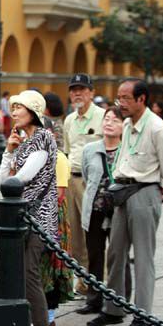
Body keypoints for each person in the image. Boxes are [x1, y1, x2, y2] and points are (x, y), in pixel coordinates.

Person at [88, 79, 163, 326]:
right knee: (116, 252)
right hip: (121, 191)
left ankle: (142, 316)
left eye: (125, 98)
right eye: (118, 98)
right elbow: (123, 156)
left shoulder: (157, 128)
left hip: (145, 191)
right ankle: (114, 309)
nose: (120, 103)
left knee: (143, 256)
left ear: (141, 99)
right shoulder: (126, 123)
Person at [0, 89, 58, 326]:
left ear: (33, 110)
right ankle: (31, 325)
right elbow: (5, 180)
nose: (14, 113)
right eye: (13, 108)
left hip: (38, 217)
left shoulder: (43, 138)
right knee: (23, 271)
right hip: (22, 216)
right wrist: (9, 151)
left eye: (19, 108)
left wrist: (13, 167)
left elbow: (20, 178)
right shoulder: (25, 141)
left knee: (30, 271)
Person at [77, 106, 132, 315]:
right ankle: (94, 299)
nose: (109, 123)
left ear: (124, 126)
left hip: (119, 211)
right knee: (94, 255)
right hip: (95, 210)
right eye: (106, 119)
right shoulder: (90, 149)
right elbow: (86, 176)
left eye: (115, 120)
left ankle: (122, 300)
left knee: (120, 256)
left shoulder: (127, 149)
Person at [62, 73, 103, 296]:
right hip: (71, 179)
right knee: (74, 235)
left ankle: (97, 282)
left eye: (82, 89)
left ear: (91, 93)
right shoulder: (69, 120)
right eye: (73, 89)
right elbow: (68, 151)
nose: (77, 93)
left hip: (91, 182)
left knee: (92, 233)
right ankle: (82, 281)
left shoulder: (102, 117)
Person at [40, 128, 73, 326]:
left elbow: (58, 194)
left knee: (51, 266)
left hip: (52, 216)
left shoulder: (59, 158)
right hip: (34, 214)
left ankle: (49, 314)